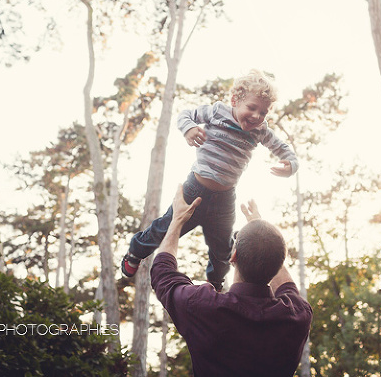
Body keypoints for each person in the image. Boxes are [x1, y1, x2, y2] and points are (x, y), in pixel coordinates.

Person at [121, 70, 298, 290]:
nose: (256, 116)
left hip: (225, 198)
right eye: (251, 108)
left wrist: (290, 165)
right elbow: (184, 115)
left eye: (263, 112)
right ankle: (135, 252)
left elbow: (283, 149)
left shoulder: (260, 131)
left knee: (223, 247)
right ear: (235, 101)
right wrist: (190, 129)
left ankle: (215, 282)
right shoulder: (216, 112)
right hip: (195, 189)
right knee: (167, 228)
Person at [151, 185, 313, 377]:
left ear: (233, 255)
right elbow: (286, 284)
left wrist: (177, 221)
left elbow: (162, 273)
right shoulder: (297, 316)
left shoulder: (203, 307)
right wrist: (262, 234)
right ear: (279, 263)